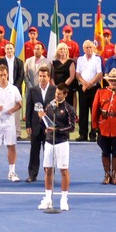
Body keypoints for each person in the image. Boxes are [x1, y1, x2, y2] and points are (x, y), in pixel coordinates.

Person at [37, 83, 75, 211]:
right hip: (49, 142)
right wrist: (41, 118)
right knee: (48, 169)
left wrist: (57, 130)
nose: (56, 96)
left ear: (65, 94)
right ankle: (48, 198)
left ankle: (64, 199)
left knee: (63, 170)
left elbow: (72, 127)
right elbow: (45, 123)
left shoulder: (69, 109)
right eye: (56, 93)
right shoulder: (49, 106)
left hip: (62, 143)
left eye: (59, 94)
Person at [25, 65, 55, 183]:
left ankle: (49, 175)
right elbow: (29, 108)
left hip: (49, 127)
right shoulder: (33, 90)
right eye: (40, 76)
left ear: (49, 77)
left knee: (49, 152)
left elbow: (57, 108)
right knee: (34, 151)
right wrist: (28, 125)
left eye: (44, 76)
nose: (42, 78)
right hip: (36, 126)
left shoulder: (54, 90)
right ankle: (32, 175)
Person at [75, 40, 101, 141]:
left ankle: (93, 134)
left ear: (94, 48)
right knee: (82, 112)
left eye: (90, 47)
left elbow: (99, 74)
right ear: (83, 49)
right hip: (83, 89)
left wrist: (89, 83)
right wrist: (84, 84)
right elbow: (77, 74)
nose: (89, 49)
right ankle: (83, 134)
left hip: (94, 88)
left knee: (94, 112)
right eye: (87, 47)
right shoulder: (80, 59)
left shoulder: (97, 59)